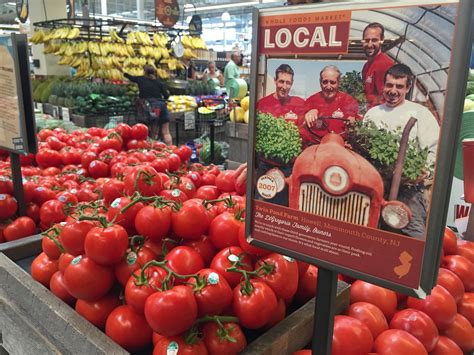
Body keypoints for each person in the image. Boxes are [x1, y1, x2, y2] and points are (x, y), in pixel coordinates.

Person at [364, 63, 440, 239]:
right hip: (376, 186)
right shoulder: (373, 114)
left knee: (414, 235)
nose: (393, 91)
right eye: (389, 85)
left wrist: (424, 171)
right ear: (384, 86)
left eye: (399, 86)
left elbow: (434, 148)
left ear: (408, 87)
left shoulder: (419, 113)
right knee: (369, 232)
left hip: (408, 189)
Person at [254, 64, 305, 206]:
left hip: (288, 169)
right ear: (275, 81)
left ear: (292, 84)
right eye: (281, 81)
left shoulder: (299, 104)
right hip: (266, 166)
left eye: (288, 82)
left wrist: (312, 111)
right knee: (262, 204)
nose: (284, 86)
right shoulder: (263, 104)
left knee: (285, 207)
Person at [300, 65, 360, 147]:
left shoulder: (349, 101)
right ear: (320, 83)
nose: (328, 86)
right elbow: (301, 126)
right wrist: (308, 113)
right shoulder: (311, 100)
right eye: (325, 82)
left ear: (339, 83)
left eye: (332, 82)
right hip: (316, 146)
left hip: (341, 147)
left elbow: (356, 125)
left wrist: (353, 122)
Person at [124, 65, 172, 145]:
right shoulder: (159, 82)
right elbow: (166, 95)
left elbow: (131, 77)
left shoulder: (141, 79)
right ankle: (171, 150)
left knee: (152, 132)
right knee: (166, 132)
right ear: (154, 72)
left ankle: (152, 150)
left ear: (144, 72)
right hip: (161, 105)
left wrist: (123, 72)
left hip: (149, 107)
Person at [362, 23, 395, 109]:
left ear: (382, 40)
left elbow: (386, 98)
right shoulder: (366, 66)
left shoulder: (384, 64)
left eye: (374, 40)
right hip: (370, 113)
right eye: (366, 40)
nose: (369, 45)